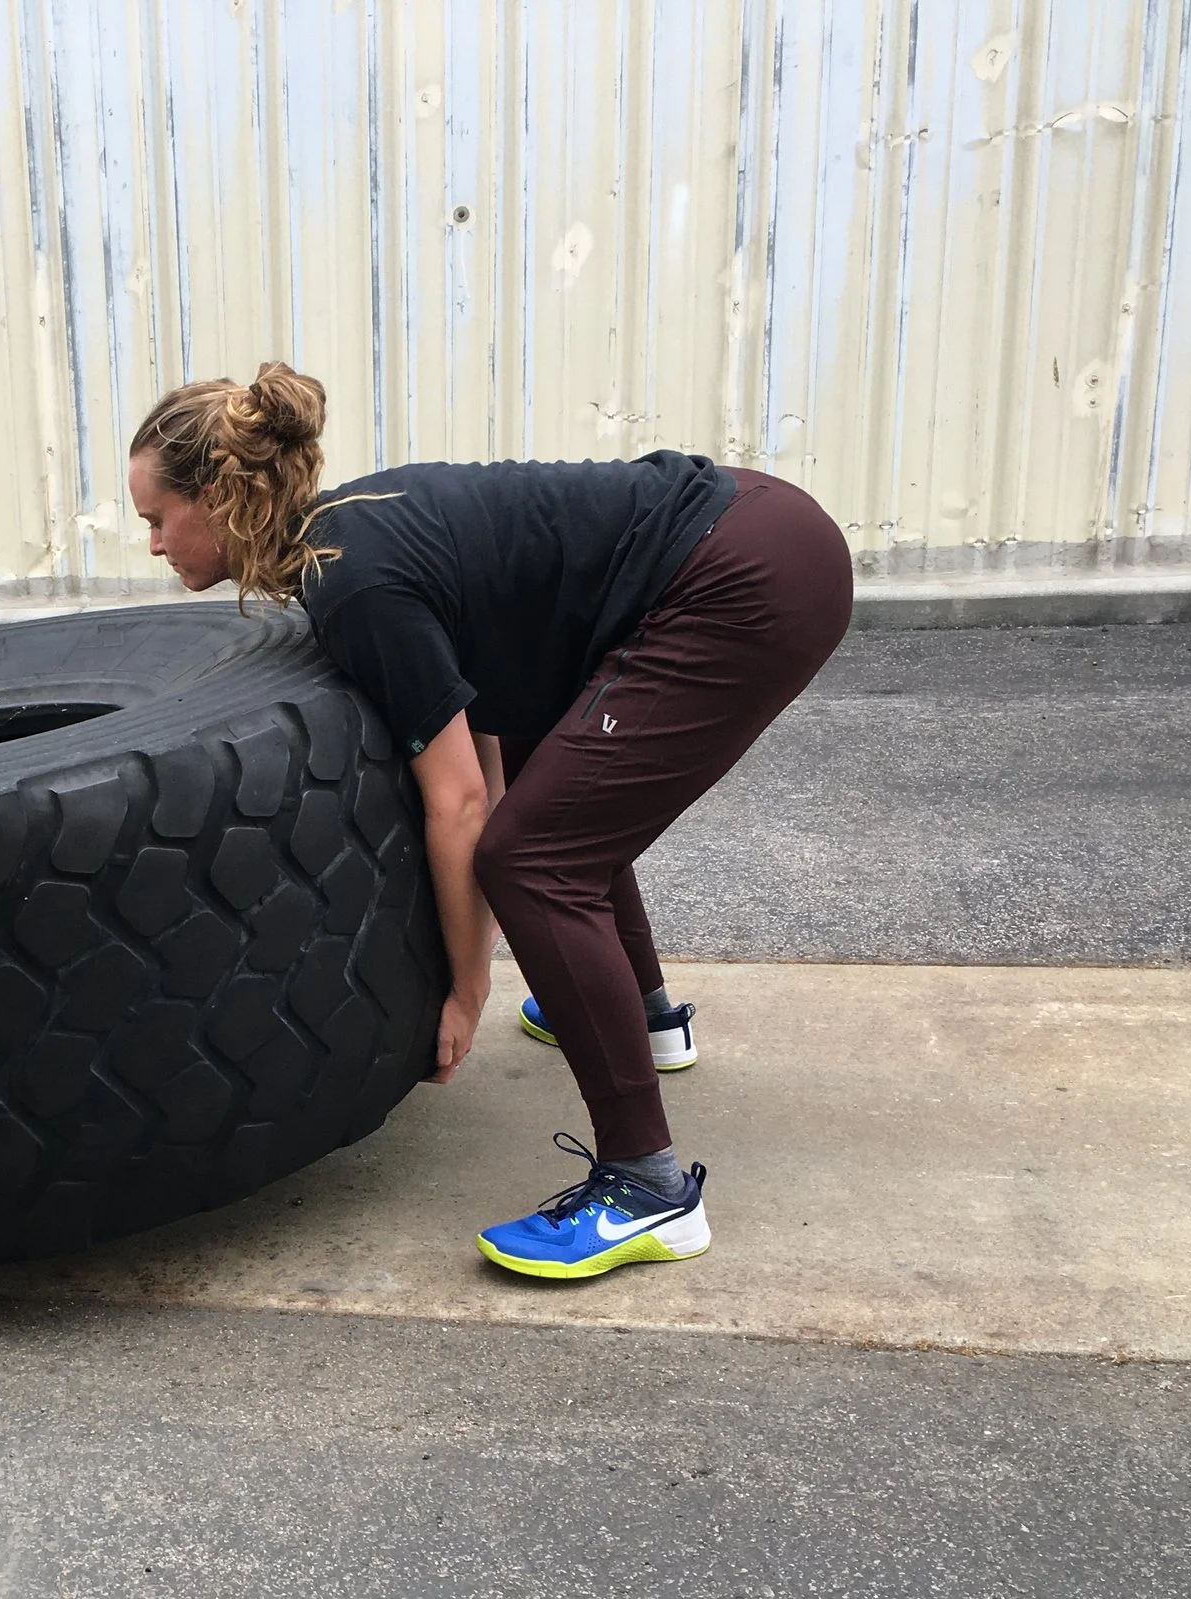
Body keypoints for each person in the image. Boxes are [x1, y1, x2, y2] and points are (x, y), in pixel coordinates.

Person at [125, 363, 852, 1279]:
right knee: (561, 804)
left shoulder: (352, 584)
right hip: (755, 529)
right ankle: (644, 1020)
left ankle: (649, 1188)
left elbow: (461, 800)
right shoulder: (348, 535)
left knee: (534, 861)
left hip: (741, 573)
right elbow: (488, 734)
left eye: (158, 518)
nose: (154, 544)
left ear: (221, 496)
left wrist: (467, 992)